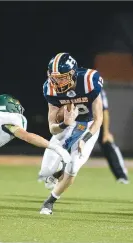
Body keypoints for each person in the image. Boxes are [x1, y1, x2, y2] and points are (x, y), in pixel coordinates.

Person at [39, 52, 103, 215]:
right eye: (54, 77)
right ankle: (58, 171)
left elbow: (98, 120)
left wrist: (85, 139)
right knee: (46, 172)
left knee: (74, 166)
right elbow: (52, 128)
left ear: (73, 74)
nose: (57, 82)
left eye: (62, 77)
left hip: (88, 125)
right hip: (68, 125)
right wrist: (64, 123)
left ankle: (50, 201)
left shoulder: (89, 82)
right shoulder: (50, 90)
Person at [97, 88, 129, 184]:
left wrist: (106, 132)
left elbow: (104, 111)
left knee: (107, 143)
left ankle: (121, 175)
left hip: (96, 120)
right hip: (80, 121)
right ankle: (58, 174)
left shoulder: (97, 89)